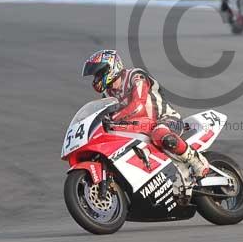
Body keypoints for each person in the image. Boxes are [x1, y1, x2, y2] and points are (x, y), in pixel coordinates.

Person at [82, 50, 210, 179]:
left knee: (159, 133)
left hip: (166, 119)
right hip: (141, 127)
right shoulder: (108, 95)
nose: (96, 78)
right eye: (95, 75)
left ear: (111, 67)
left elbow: (138, 104)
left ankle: (197, 161)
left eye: (98, 73)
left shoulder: (135, 76)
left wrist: (113, 119)